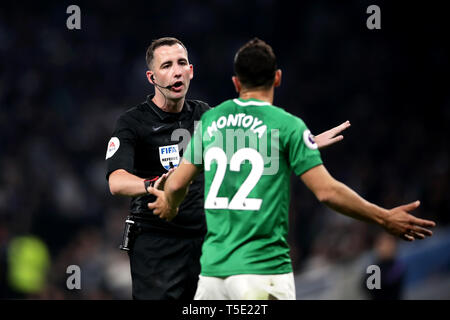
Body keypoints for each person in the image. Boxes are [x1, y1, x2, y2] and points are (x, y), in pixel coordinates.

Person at [147, 38, 436, 300]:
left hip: (213, 279)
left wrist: (170, 205)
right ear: (277, 78)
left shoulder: (211, 121)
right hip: (262, 275)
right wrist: (384, 218)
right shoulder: (286, 126)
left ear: (236, 83)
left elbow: (175, 185)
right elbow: (326, 192)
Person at [106, 37, 351, 300]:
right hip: (157, 242)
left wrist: (304, 144)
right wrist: (151, 185)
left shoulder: (206, 115)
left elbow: (248, 153)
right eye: (166, 65)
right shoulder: (133, 122)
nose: (176, 71)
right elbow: (116, 181)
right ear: (151, 77)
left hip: (206, 240)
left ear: (191, 71)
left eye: (182, 63)